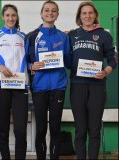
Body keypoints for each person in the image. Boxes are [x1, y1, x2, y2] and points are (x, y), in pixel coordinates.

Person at [68, 1, 117, 159]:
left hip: (97, 87)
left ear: (95, 15)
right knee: (80, 129)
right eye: (84, 13)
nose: (87, 16)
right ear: (79, 17)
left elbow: (113, 60)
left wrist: (105, 72)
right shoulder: (71, 35)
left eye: (90, 13)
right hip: (77, 85)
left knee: (94, 129)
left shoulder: (104, 35)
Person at [25, 0, 71, 159]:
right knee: (41, 128)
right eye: (47, 10)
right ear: (41, 13)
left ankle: (54, 157)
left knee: (56, 127)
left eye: (53, 11)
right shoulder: (31, 37)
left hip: (58, 86)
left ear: (57, 14)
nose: (50, 13)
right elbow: (24, 62)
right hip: (39, 87)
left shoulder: (63, 37)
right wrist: (32, 65)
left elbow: (69, 61)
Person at [0, 4, 28, 159]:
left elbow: (30, 58)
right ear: (3, 17)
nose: (11, 18)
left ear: (16, 17)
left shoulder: (24, 37)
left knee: (20, 130)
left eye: (13, 15)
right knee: (3, 130)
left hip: (20, 86)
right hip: (1, 87)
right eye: (7, 15)